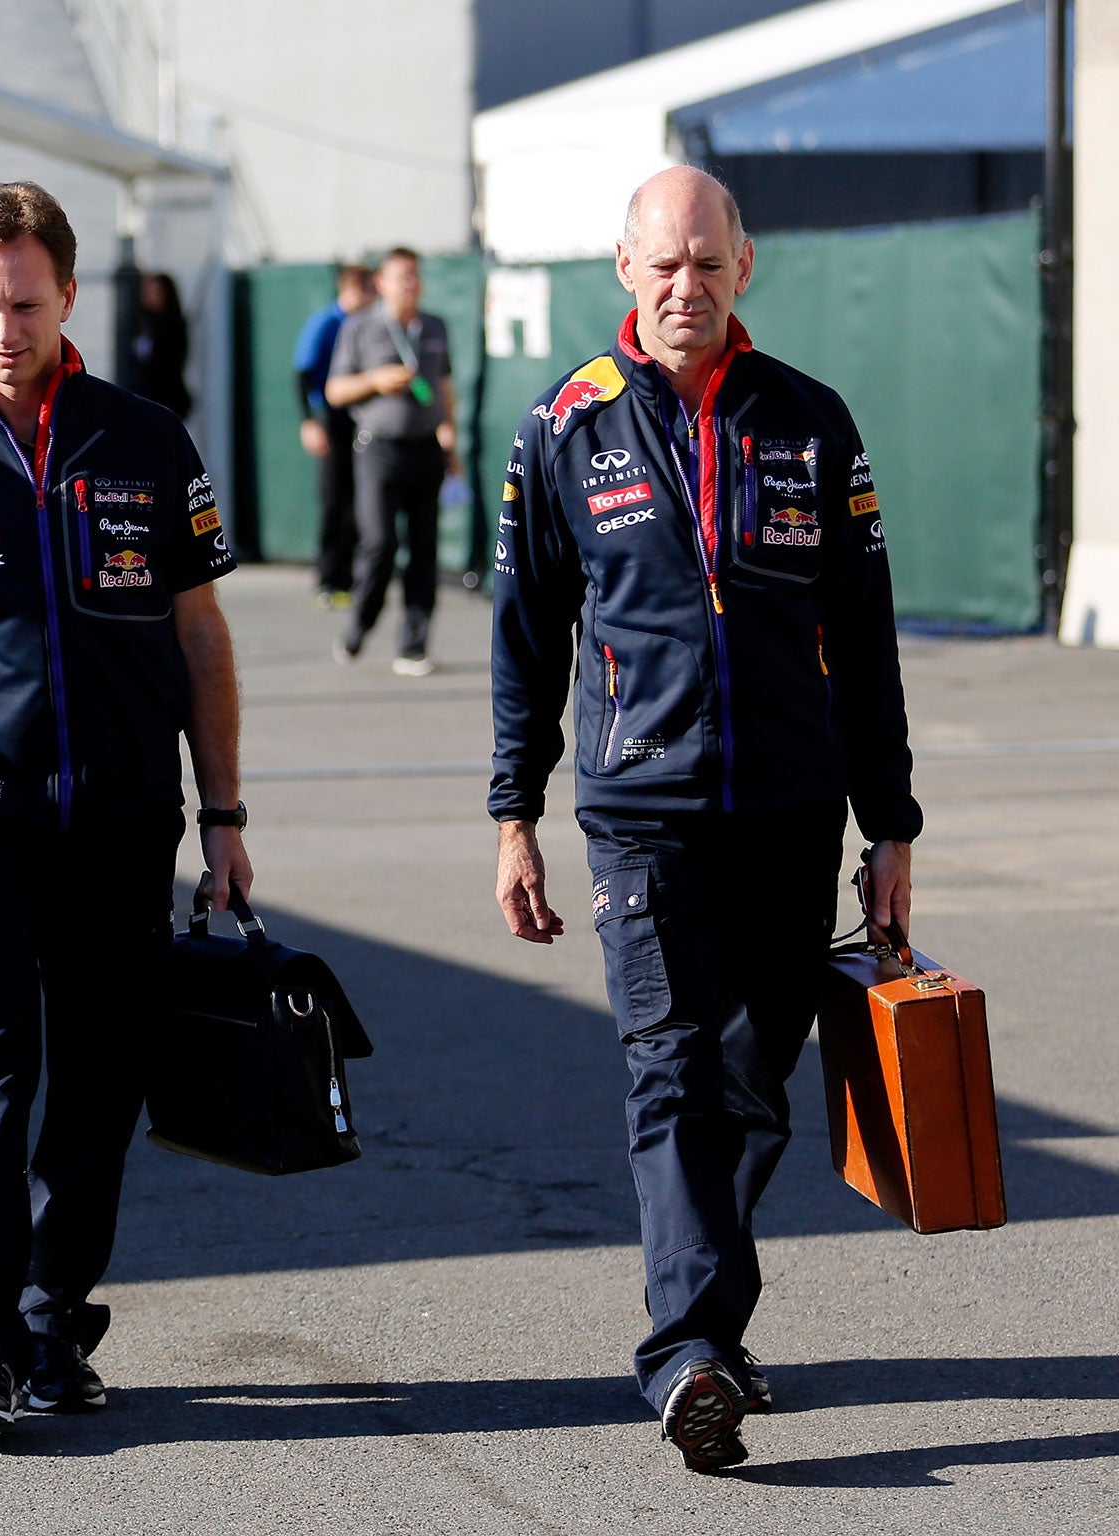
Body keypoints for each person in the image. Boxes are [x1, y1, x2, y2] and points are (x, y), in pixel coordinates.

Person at [488, 167, 921, 1473]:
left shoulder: (811, 420)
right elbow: (523, 640)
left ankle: (708, 1337)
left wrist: (889, 822)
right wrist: (514, 811)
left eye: (708, 264)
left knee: (754, 1089)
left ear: (746, 268)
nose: (686, 287)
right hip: (642, 814)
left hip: (792, 812)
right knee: (671, 1072)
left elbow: (866, 632)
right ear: (625, 268)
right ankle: (686, 1355)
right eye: (663, 264)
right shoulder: (564, 426)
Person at [0, 181, 249, 1434]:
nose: (2, 331)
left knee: (96, 1078)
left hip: (124, 821)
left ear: (68, 293)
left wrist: (220, 813)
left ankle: (52, 1319)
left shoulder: (147, 440)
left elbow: (199, 634)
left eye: (23, 304)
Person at [324, 247, 457, 676]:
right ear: (381, 283)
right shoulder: (359, 328)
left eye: (415, 276)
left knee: (424, 549)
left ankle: (414, 647)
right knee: (379, 543)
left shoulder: (434, 326)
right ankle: (360, 623)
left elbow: (443, 384)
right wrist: (374, 380)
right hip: (378, 449)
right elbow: (335, 391)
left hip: (426, 449)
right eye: (401, 277)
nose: (410, 285)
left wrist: (449, 434)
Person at [292, 263, 373, 608]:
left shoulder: (369, 325)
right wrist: (310, 421)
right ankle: (329, 577)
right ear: (350, 289)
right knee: (334, 498)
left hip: (361, 416)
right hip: (331, 417)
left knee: (360, 499)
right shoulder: (327, 322)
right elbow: (303, 371)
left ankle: (354, 576)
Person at [129, 271, 191, 418]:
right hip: (144, 398)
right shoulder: (142, 324)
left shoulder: (173, 327)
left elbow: (170, 365)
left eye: (156, 292)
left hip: (166, 398)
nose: (150, 297)